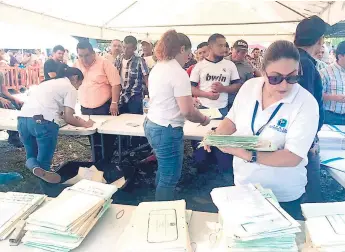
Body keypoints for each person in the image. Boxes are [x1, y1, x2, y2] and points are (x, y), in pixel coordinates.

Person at [204, 41, 319, 220]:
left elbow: (293, 157)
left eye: (292, 78)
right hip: (244, 185)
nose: (284, 86)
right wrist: (217, 136)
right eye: (275, 78)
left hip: (282, 194)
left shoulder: (306, 103)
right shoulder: (250, 87)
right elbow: (232, 119)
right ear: (263, 71)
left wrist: (248, 154)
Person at [144, 30, 210, 201]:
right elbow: (187, 112)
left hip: (152, 123)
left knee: (164, 170)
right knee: (170, 177)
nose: (189, 57)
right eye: (189, 52)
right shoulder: (178, 72)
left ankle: (158, 203)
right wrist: (203, 119)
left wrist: (187, 101)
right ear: (181, 49)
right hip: (167, 129)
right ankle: (161, 213)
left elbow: (164, 96)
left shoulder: (159, 66)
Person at [18, 64, 94, 183]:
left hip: (23, 119)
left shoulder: (46, 83)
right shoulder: (70, 87)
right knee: (44, 162)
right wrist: (86, 124)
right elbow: (69, 117)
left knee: (31, 156)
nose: (78, 87)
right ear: (75, 77)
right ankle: (47, 191)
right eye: (79, 84)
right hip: (44, 122)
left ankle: (35, 172)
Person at [190, 33, 240, 177]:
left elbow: (237, 85)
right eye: (220, 45)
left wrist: (223, 89)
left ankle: (222, 174)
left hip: (223, 110)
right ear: (210, 46)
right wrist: (207, 95)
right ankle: (201, 173)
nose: (224, 48)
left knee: (222, 144)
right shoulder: (199, 66)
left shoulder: (230, 65)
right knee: (201, 144)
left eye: (225, 45)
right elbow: (191, 88)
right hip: (204, 109)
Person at [294, 15, 327, 203]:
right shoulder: (304, 63)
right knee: (310, 188)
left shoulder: (299, 59)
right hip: (304, 137)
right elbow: (305, 105)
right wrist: (311, 139)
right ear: (319, 39)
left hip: (301, 134)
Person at [75, 41, 121, 161]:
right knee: (91, 135)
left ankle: (107, 161)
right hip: (85, 107)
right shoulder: (76, 64)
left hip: (103, 107)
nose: (84, 59)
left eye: (86, 55)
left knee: (106, 137)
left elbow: (116, 84)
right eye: (80, 55)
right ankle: (96, 159)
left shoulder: (105, 63)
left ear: (93, 53)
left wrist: (114, 103)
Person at [115, 36, 149, 114]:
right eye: (124, 47)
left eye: (129, 48)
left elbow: (147, 79)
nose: (126, 50)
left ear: (134, 48)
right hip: (121, 97)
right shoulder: (118, 59)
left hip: (135, 98)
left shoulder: (140, 60)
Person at [228, 40, 260, 109]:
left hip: (238, 103)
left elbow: (250, 86)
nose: (239, 54)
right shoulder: (222, 62)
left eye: (243, 52)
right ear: (231, 49)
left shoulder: (248, 67)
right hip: (220, 102)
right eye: (237, 51)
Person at [320, 41, 345, 125]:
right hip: (330, 117)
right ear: (340, 56)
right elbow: (317, 94)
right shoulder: (325, 72)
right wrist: (333, 97)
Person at [0, 72, 24, 147]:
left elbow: (4, 90)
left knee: (18, 105)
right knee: (8, 106)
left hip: (1, 96)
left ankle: (13, 135)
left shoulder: (0, 73)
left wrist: (15, 99)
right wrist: (1, 99)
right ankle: (14, 138)